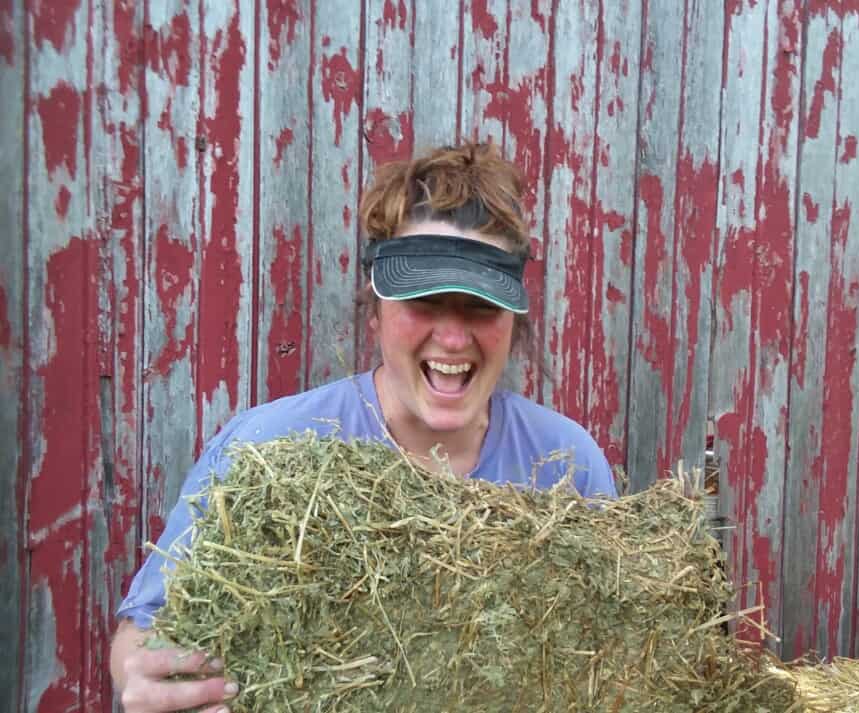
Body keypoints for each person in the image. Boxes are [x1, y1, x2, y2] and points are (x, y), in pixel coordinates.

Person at [109, 141, 618, 712]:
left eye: (479, 306)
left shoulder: (564, 466)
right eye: (423, 300)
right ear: (375, 309)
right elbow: (142, 634)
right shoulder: (265, 452)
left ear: (513, 320)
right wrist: (147, 677)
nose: (452, 338)